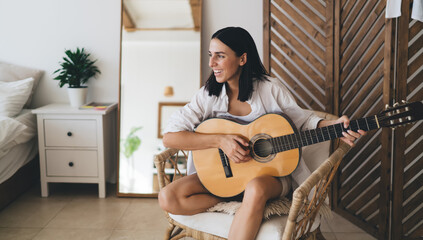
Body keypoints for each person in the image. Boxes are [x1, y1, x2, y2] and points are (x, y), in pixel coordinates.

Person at [158, 26, 366, 240]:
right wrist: (221, 141)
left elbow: (303, 122)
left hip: (271, 178)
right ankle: (234, 199)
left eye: (220, 56)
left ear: (242, 59)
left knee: (255, 188)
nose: (212, 64)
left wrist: (336, 127)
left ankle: (249, 201)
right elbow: (170, 137)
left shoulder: (270, 89)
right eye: (211, 56)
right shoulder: (207, 95)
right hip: (225, 176)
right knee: (168, 197)